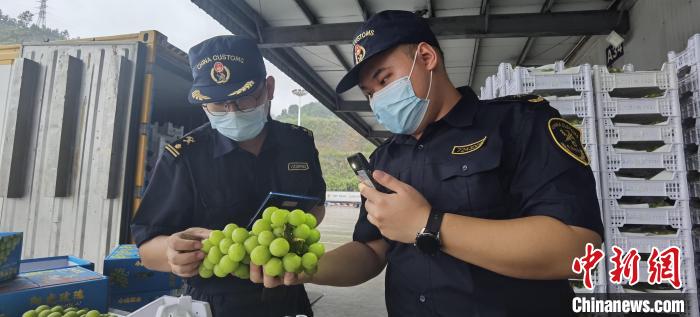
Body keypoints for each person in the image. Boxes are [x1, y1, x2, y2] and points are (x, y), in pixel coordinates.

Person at [253, 10, 604, 317]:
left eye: (384, 78)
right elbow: (371, 252)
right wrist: (306, 267)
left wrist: (428, 224)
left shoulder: (518, 124)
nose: (377, 98)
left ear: (425, 56)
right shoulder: (385, 159)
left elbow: (575, 248)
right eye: (369, 92)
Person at [131, 35, 326, 317]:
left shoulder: (299, 143)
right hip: (215, 305)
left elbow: (315, 208)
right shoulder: (184, 157)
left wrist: (291, 237)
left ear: (268, 89)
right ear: (202, 104)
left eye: (245, 98)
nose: (232, 113)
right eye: (218, 105)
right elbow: (147, 248)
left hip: (289, 295)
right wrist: (172, 255)